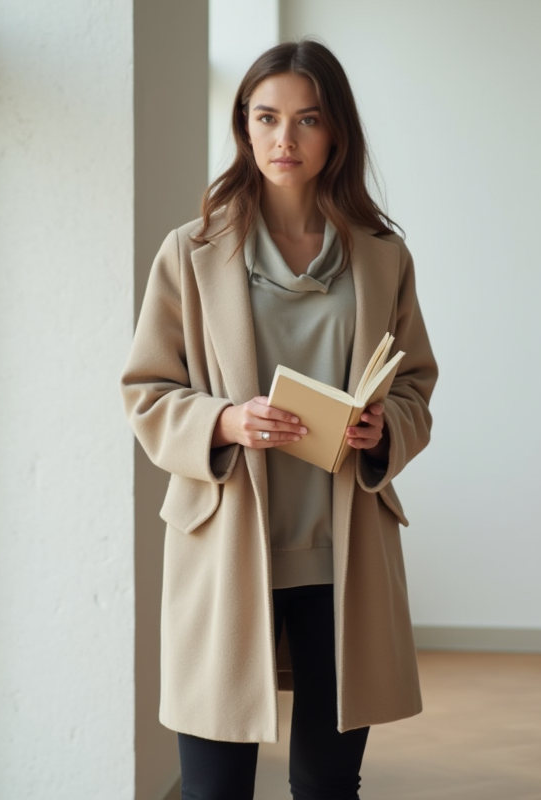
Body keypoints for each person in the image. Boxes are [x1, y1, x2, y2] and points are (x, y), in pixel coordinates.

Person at [121, 39, 437, 800]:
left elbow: (416, 385)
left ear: (336, 134)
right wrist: (226, 421)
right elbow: (147, 390)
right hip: (226, 549)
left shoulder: (381, 256)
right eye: (265, 118)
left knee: (328, 787)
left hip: (342, 556)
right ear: (244, 125)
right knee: (213, 789)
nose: (283, 140)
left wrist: (382, 428)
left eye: (306, 120)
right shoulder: (190, 253)